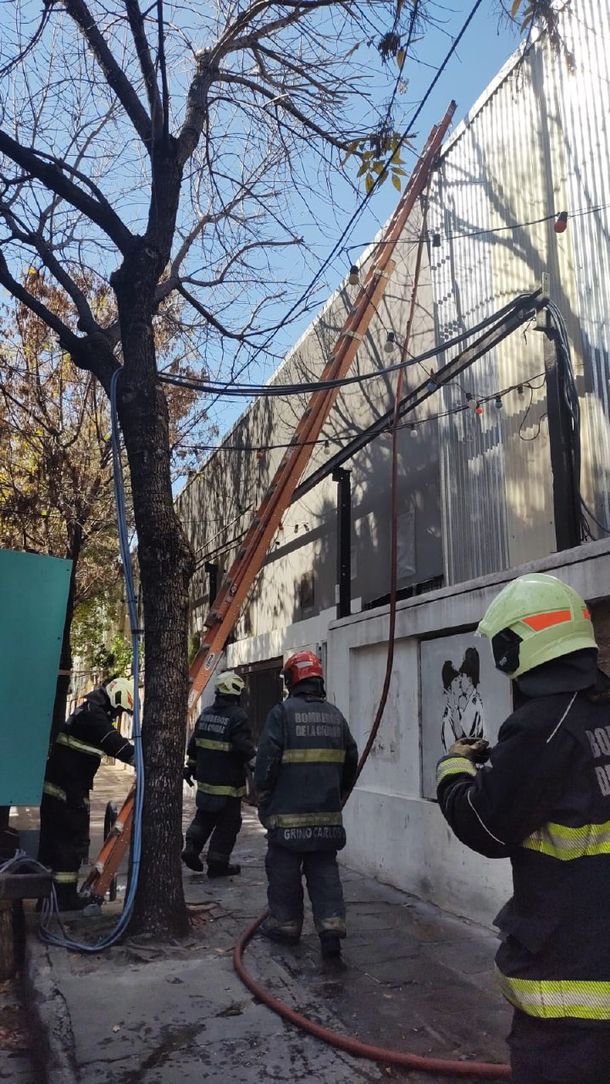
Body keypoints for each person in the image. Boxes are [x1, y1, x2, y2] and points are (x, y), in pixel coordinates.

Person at [436, 572, 610, 1084]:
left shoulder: (541, 725)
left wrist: (454, 768)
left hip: (571, 984)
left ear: (516, 649)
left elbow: (486, 828)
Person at [254, 650, 358, 959]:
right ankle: (331, 929)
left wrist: (264, 796)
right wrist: (337, 793)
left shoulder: (282, 714)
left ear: (292, 679)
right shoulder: (336, 715)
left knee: (284, 868)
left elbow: (267, 763)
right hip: (326, 818)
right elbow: (350, 759)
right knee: (324, 869)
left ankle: (285, 925)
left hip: (287, 818)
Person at [38, 677, 135, 910]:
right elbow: (116, 745)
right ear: (115, 700)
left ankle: (47, 898)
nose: (117, 714)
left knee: (54, 846)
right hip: (66, 792)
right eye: (120, 709)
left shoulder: (88, 710)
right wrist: (149, 761)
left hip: (64, 788)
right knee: (67, 847)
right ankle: (65, 900)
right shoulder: (94, 716)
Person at [182, 670, 255, 877]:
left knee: (203, 818)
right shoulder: (238, 716)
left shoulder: (206, 714)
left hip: (205, 782)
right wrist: (261, 764)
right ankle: (217, 862)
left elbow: (194, 745)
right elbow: (244, 748)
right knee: (228, 824)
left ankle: (191, 848)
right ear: (235, 692)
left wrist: (191, 767)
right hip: (228, 785)